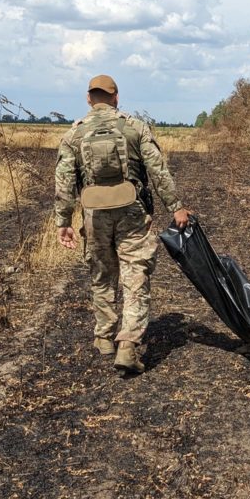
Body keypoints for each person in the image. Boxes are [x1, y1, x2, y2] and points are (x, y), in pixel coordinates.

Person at [55, 75, 190, 374]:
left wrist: (63, 221)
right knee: (135, 273)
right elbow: (158, 170)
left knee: (102, 273)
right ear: (116, 97)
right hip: (132, 212)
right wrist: (176, 207)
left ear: (89, 99)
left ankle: (104, 337)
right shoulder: (135, 127)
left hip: (94, 214)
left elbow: (64, 181)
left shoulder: (74, 134)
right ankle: (128, 344)